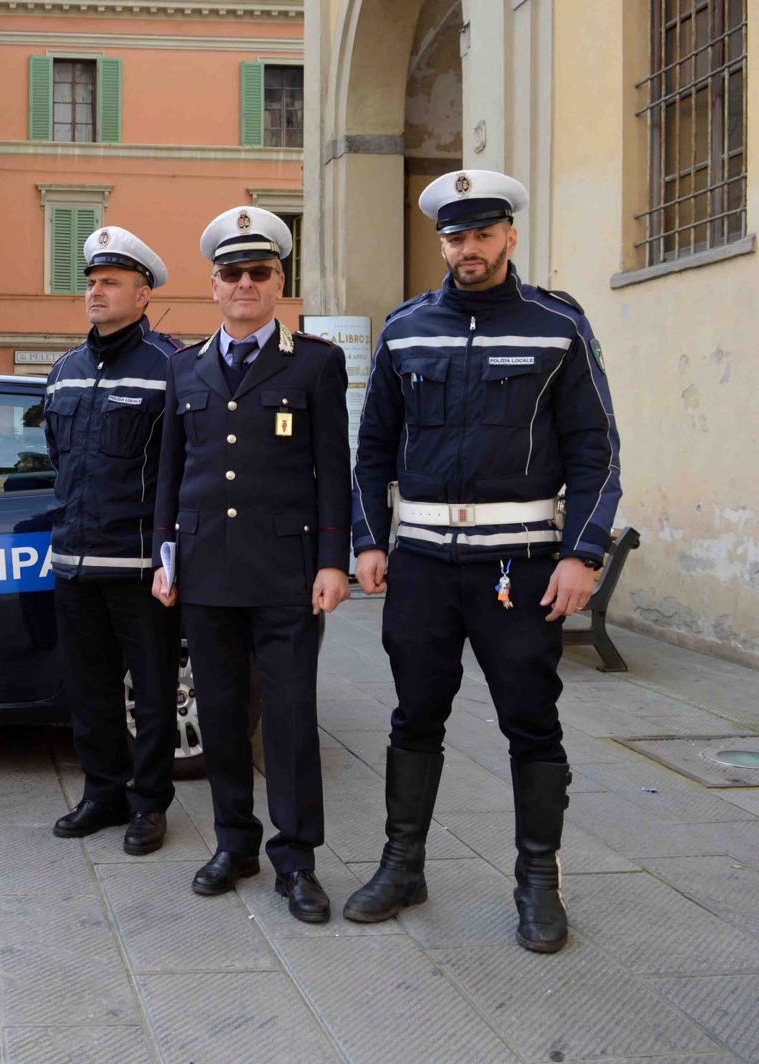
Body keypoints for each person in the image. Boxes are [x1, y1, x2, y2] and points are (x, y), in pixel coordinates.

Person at [344, 170, 622, 953]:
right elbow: (371, 448)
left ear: (509, 236)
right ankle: (402, 867)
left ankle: (538, 883)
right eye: (456, 237)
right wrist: (368, 540)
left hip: (520, 566)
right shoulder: (406, 329)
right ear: (442, 243)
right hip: (424, 566)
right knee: (414, 717)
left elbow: (596, 449)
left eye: (482, 234)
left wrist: (583, 554)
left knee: (531, 723)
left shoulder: (556, 325)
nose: (469, 249)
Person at [151, 206, 351, 922]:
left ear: (278, 283)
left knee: (291, 719)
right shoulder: (184, 367)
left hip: (286, 574)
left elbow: (334, 471)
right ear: (214, 285)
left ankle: (296, 861)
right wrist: (165, 556)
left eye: (258, 272)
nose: (245, 284)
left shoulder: (316, 363)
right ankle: (235, 844)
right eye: (232, 273)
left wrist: (333, 562)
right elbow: (171, 474)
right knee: (222, 715)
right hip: (206, 571)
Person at [45, 225, 183, 856]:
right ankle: (103, 793)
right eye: (92, 282)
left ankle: (149, 803)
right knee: (90, 690)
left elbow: (181, 468)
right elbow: (59, 457)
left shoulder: (170, 367)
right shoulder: (63, 371)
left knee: (152, 694)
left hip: (138, 564)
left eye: (111, 282)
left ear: (143, 294)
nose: (96, 292)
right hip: (73, 562)